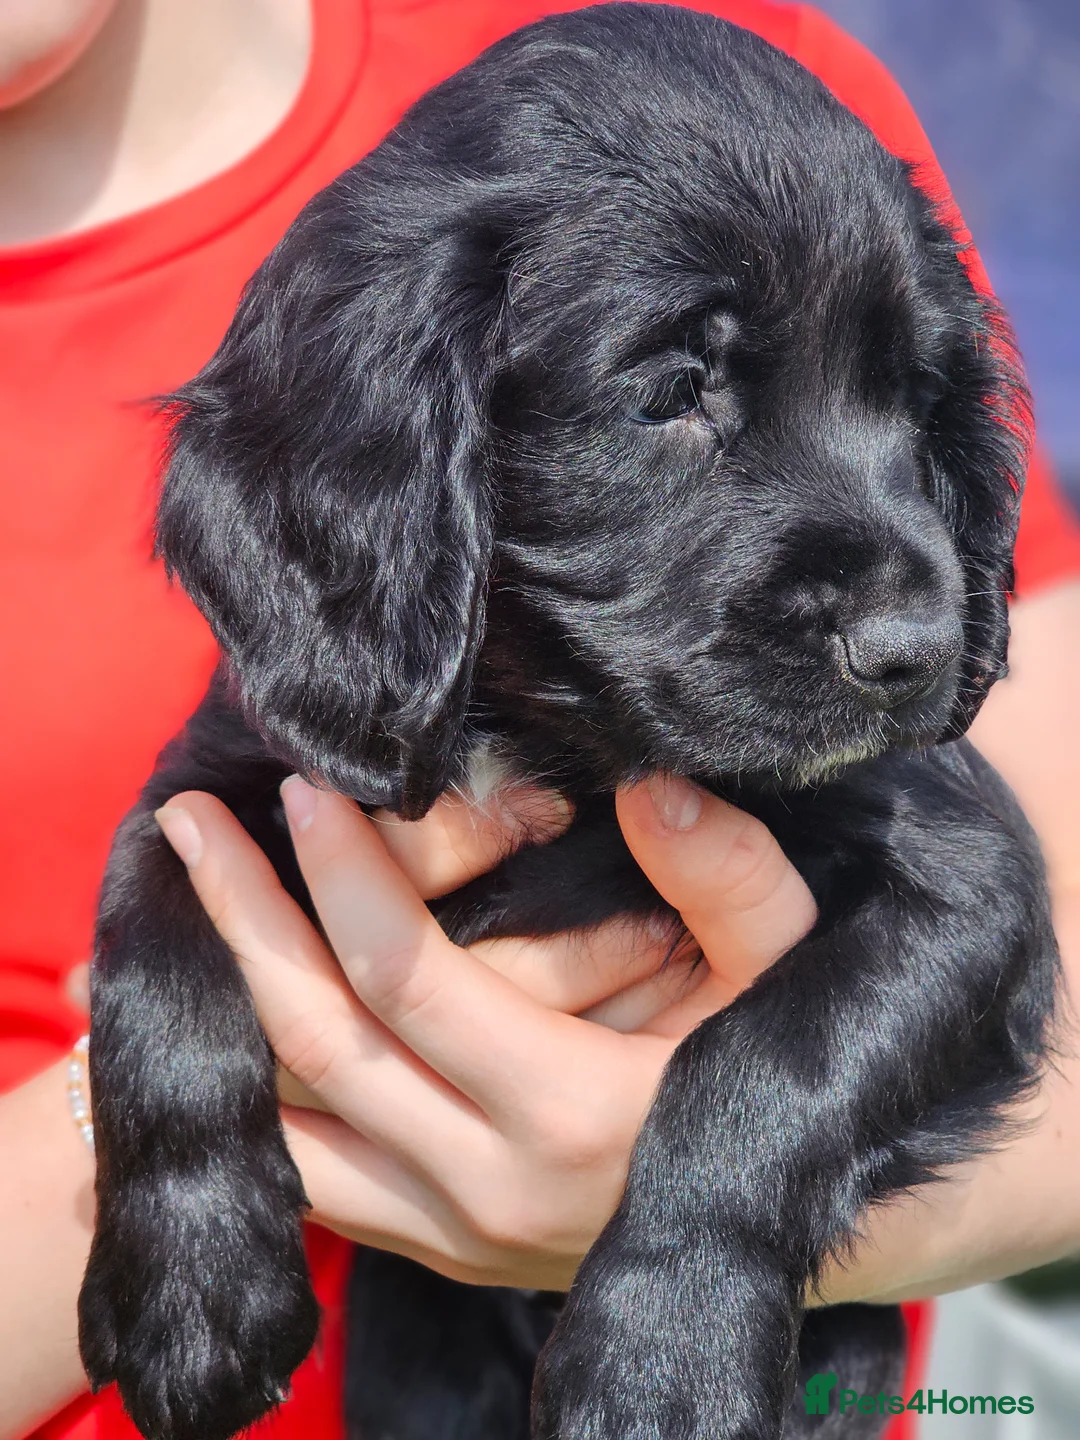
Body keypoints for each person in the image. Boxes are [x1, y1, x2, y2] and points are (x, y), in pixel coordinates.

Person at [2, 2, 1079, 1438]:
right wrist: (161, 1116)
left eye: (896, 394)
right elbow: (199, 850)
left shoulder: (770, 80)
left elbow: (991, 902)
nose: (901, 609)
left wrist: (717, 1218)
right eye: (682, 391)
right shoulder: (374, 495)